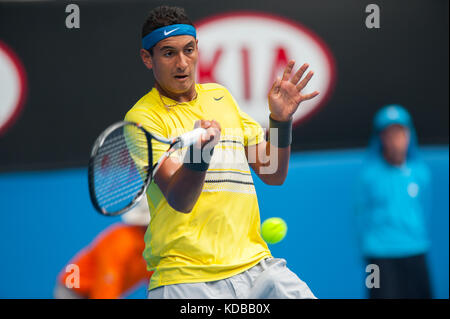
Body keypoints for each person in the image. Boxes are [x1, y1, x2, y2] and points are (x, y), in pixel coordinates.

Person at [125, 5, 319, 299]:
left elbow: (272, 172)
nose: (182, 63)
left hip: (256, 266)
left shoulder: (220, 96)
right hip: (186, 280)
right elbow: (180, 199)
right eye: (168, 53)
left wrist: (280, 121)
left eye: (189, 50)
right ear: (146, 58)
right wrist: (201, 154)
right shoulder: (142, 120)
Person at [354, 104, 433, 299]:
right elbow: (359, 216)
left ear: (409, 135)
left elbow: (425, 209)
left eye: (400, 132)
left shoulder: (421, 173)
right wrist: (369, 248)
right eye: (389, 134)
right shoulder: (368, 176)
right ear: (381, 138)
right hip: (379, 257)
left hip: (416, 251)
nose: (395, 139)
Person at [54, 199, 153, 299]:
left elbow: (154, 284)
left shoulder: (153, 246)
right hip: (74, 291)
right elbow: (106, 285)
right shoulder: (121, 240)